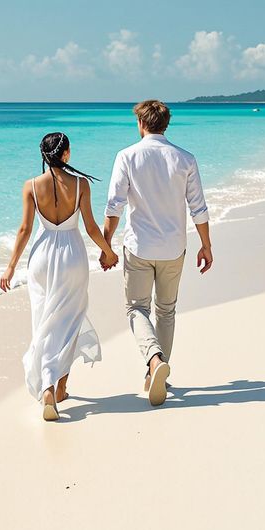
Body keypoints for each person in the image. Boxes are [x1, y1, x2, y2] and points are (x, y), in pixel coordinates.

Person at [101, 100, 213, 407]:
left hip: (138, 247)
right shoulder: (185, 159)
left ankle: (152, 359)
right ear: (166, 124)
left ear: (141, 124)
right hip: (174, 247)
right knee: (167, 310)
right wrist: (206, 245)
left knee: (137, 308)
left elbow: (114, 206)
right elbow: (198, 207)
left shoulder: (126, 156)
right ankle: (156, 374)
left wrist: (106, 244)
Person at [0, 132, 117, 421]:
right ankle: (58, 385)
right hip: (72, 256)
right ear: (66, 154)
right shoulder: (81, 185)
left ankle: (51, 387)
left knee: (44, 320)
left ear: (43, 155)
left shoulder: (30, 186)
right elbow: (90, 227)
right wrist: (108, 252)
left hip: (41, 258)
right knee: (69, 321)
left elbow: (25, 230)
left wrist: (10, 267)